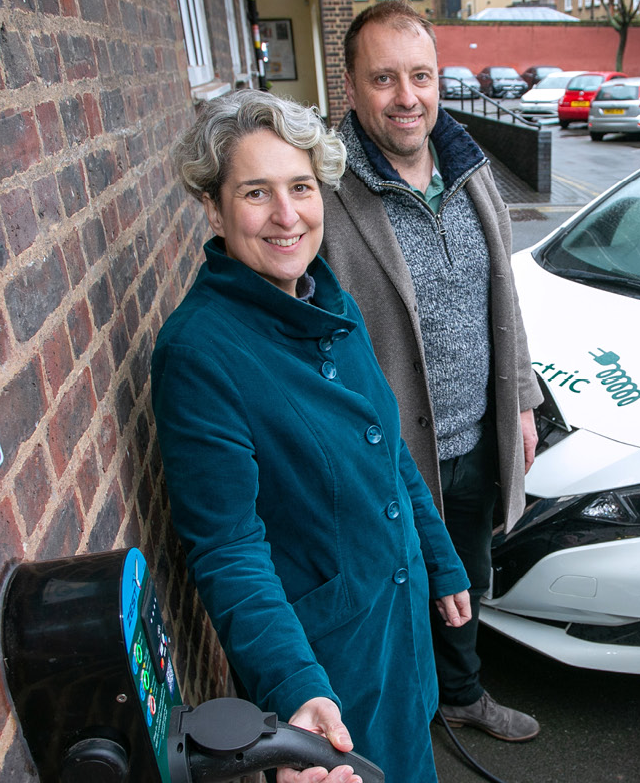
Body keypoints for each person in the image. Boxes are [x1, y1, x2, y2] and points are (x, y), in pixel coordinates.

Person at [153, 89, 473, 783]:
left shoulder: (330, 300)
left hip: (400, 631)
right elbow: (228, 549)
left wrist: (439, 556)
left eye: (301, 187)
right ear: (213, 207)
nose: (287, 215)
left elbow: (386, 447)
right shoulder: (200, 353)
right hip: (328, 668)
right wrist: (296, 681)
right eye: (256, 193)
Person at [320, 0, 544, 743]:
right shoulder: (324, 194)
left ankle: (463, 694)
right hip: (386, 455)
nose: (407, 96)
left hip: (474, 436)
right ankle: (402, 723)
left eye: (421, 75)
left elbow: (502, 298)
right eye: (384, 79)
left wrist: (519, 401)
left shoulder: (472, 168)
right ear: (350, 88)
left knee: (463, 579)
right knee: (393, 589)